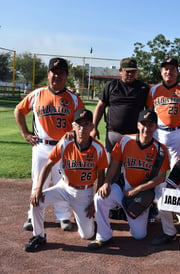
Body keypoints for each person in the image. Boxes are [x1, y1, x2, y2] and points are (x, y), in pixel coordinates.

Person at [14, 57, 85, 231]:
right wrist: (25, 134)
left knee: (63, 182)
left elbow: (83, 120)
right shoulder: (37, 94)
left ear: (66, 76)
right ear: (48, 74)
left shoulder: (73, 99)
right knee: (38, 182)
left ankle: (63, 217)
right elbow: (18, 110)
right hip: (41, 145)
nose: (57, 76)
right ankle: (33, 216)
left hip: (64, 147)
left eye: (61, 73)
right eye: (54, 72)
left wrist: (74, 131)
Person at [23, 109, 108, 252]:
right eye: (78, 125)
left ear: (92, 127)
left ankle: (87, 222)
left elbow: (101, 176)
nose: (82, 129)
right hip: (64, 186)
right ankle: (39, 236)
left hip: (83, 192)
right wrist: (38, 189)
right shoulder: (65, 142)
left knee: (87, 235)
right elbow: (47, 165)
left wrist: (94, 200)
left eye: (86, 125)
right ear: (73, 126)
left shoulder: (98, 149)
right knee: (36, 202)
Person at [88, 109, 170, 250]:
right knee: (100, 198)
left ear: (156, 127)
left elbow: (161, 177)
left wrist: (138, 189)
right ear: (138, 125)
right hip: (123, 188)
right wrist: (107, 182)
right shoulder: (125, 140)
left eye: (150, 125)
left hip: (141, 195)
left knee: (139, 235)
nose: (146, 128)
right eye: (143, 124)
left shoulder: (160, 149)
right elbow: (113, 166)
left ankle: (141, 210)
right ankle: (104, 236)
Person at [91, 57, 149, 178]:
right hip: (114, 134)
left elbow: (149, 110)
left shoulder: (143, 88)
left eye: (133, 71)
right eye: (127, 71)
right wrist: (94, 127)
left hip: (135, 136)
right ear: (120, 71)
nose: (130, 74)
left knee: (132, 169)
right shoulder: (111, 86)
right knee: (112, 168)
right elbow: (100, 107)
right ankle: (111, 193)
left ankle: (128, 195)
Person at [146, 57, 180, 168]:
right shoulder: (154, 89)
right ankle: (158, 186)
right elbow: (148, 115)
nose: (169, 72)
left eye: (172, 69)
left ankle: (174, 186)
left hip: (177, 132)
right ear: (161, 72)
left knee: (176, 167)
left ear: (177, 72)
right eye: (166, 69)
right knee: (156, 166)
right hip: (158, 132)